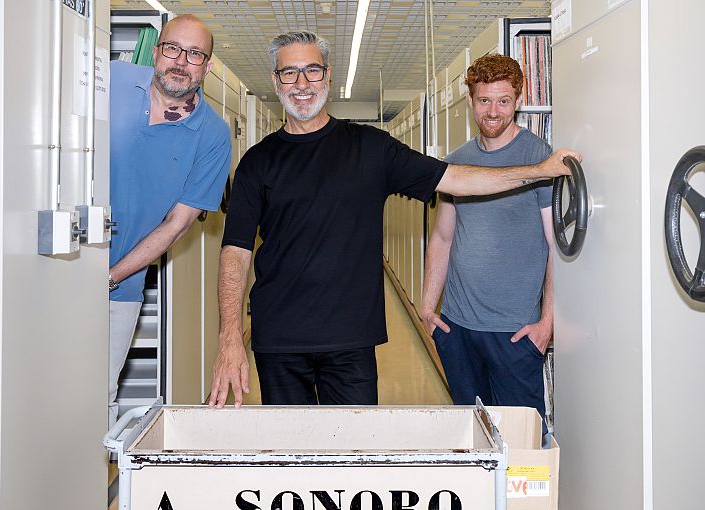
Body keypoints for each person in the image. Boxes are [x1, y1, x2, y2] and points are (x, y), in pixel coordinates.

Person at [209, 31, 578, 408]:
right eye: (290, 73)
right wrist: (230, 338)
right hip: (278, 341)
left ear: (328, 76)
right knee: (290, 453)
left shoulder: (371, 148)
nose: (302, 83)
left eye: (312, 71)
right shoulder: (256, 162)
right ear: (276, 81)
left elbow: (458, 179)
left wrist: (538, 170)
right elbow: (235, 252)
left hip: (351, 341)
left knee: (355, 457)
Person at [108, 14, 231, 426]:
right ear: (157, 51)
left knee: (98, 394)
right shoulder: (108, 81)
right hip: (51, 267)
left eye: (195, 54)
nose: (181, 61)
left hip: (119, 287)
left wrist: (109, 277)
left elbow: (177, 223)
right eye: (173, 48)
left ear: (207, 66)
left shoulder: (213, 136)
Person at [420, 54, 553, 432]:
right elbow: (443, 237)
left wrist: (547, 324)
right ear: (471, 100)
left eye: (503, 101)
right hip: (458, 330)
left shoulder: (536, 159)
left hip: (515, 333)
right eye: (484, 101)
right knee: (474, 440)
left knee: (521, 443)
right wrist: (428, 309)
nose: (493, 111)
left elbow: (555, 248)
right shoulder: (457, 163)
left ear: (518, 100)